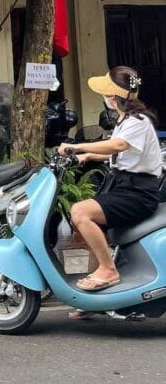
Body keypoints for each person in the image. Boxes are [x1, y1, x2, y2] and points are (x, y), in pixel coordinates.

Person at [59, 65, 162, 298]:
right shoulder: (124, 120)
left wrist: (77, 146)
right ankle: (90, 295)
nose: (104, 97)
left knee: (80, 213)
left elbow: (118, 146)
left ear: (113, 98)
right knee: (90, 226)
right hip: (125, 186)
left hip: (138, 193)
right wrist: (87, 156)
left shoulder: (138, 121)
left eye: (106, 93)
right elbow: (121, 154)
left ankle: (108, 270)